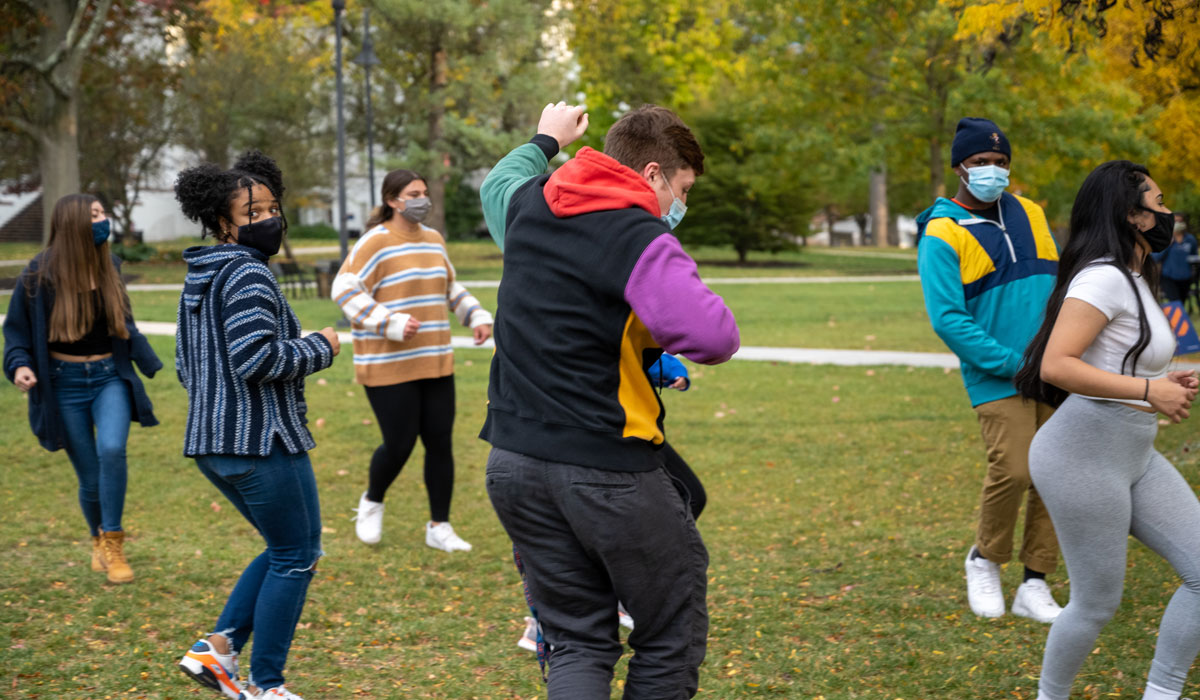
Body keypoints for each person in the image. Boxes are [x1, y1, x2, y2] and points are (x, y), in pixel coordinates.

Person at [479, 101, 740, 699]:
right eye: (683, 188)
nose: (682, 205)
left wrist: (545, 139)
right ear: (651, 175)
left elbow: (499, 182)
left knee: (576, 641)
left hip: (513, 464)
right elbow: (714, 336)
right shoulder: (637, 236)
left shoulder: (530, 205)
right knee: (668, 637)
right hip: (606, 466)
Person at [1015, 160, 1200, 700]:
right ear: (1132, 215)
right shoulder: (1101, 276)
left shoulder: (1137, 277)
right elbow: (1056, 364)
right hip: (1080, 456)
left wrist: (1164, 379)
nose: (1168, 214)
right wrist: (1149, 392)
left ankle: (1161, 694)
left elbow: (1118, 361)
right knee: (1097, 603)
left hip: (1133, 453)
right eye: (1160, 203)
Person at [172, 151, 339, 700]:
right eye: (252, 212)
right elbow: (257, 359)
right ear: (223, 221)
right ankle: (268, 684)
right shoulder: (246, 273)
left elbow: (184, 364)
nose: (268, 218)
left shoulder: (204, 272)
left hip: (213, 443)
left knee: (284, 547)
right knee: (297, 555)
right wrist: (321, 346)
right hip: (261, 442)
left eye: (272, 206)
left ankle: (217, 650)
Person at [915, 117, 1064, 623]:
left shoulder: (1033, 214)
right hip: (997, 374)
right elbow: (948, 319)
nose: (993, 171)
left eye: (1001, 163)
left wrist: (1060, 353)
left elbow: (1059, 287)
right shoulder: (942, 231)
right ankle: (985, 558)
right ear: (960, 167)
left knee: (1056, 475)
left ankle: (1036, 582)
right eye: (981, 163)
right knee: (1016, 468)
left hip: (1055, 367)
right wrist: (1014, 363)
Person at [3, 194, 161, 585]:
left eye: (103, 213)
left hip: (109, 377)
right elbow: (16, 332)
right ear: (72, 223)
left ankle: (114, 541)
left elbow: (126, 323)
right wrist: (19, 365)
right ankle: (96, 538)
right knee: (90, 477)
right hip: (63, 384)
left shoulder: (109, 266)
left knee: (112, 449)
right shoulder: (38, 275)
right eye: (95, 215)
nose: (102, 221)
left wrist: (150, 360)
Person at [333, 169, 492, 552]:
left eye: (424, 192)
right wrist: (389, 323)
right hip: (388, 365)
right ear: (392, 200)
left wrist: (477, 315)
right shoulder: (375, 242)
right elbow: (345, 289)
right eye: (413, 193)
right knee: (399, 443)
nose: (422, 199)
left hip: (435, 360)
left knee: (440, 444)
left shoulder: (434, 240)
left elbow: (450, 286)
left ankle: (440, 526)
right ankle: (372, 500)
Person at [1151, 212, 1198, 304]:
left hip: (1186, 278)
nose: (1178, 224)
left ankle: (1177, 318)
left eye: (1180, 221)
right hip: (1168, 277)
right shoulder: (1164, 239)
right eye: (1176, 221)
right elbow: (1155, 257)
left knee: (1182, 302)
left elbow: (1194, 257)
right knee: (1175, 302)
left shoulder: (1190, 239)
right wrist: (1169, 243)